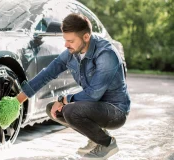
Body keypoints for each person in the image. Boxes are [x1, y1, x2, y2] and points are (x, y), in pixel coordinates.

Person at [15, 13, 131, 159]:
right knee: (53, 109)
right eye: (65, 40)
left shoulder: (106, 54)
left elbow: (94, 94)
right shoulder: (72, 53)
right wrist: (17, 100)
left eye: (70, 41)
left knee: (70, 110)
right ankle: (96, 139)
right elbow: (47, 74)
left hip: (116, 111)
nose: (66, 44)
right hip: (95, 107)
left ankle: (107, 144)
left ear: (86, 37)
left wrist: (64, 99)